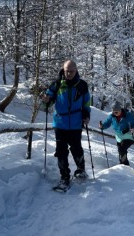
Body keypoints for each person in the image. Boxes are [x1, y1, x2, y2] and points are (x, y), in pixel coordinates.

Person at [43, 60, 91, 191]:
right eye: (67, 71)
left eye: (72, 71)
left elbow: (87, 102)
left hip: (76, 123)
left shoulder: (82, 85)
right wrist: (46, 100)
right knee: (61, 152)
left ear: (76, 71)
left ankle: (80, 170)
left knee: (76, 148)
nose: (69, 73)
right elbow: (47, 102)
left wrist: (86, 115)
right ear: (63, 70)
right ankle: (64, 177)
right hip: (60, 123)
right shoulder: (56, 84)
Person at [99, 101, 134, 166]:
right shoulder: (112, 116)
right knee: (121, 152)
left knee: (122, 149)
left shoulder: (128, 115)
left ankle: (123, 165)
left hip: (129, 136)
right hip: (119, 138)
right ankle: (125, 167)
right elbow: (107, 123)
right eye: (113, 112)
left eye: (116, 112)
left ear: (120, 110)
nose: (115, 113)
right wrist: (102, 126)